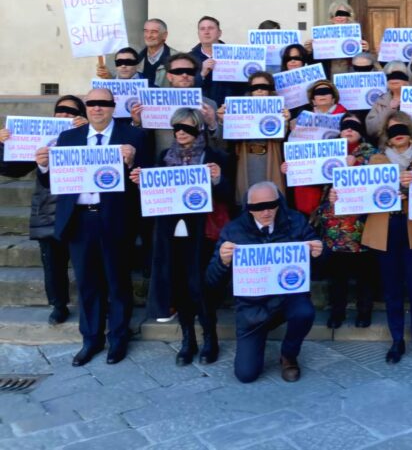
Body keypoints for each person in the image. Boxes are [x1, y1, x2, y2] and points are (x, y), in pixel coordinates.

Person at [35, 88, 147, 366]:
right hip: (79, 220)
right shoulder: (68, 137)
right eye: (91, 104)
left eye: (103, 103)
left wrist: (134, 162)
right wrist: (44, 167)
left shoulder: (133, 137)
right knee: (87, 283)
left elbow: (145, 180)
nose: (97, 108)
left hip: (115, 219)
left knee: (118, 282)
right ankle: (91, 339)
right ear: (85, 108)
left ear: (112, 107)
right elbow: (54, 184)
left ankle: (118, 339)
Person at [130, 109, 231, 366]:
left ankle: (210, 338)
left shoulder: (215, 157)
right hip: (171, 232)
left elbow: (230, 195)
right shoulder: (164, 156)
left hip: (202, 232)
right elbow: (156, 192)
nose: (181, 133)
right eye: (176, 128)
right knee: (180, 286)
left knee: (201, 287)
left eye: (187, 128)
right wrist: (142, 182)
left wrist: (218, 179)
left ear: (198, 129)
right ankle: (188, 340)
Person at [205, 181, 323, 384]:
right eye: (258, 207)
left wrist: (319, 253)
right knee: (246, 374)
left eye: (272, 205)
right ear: (248, 209)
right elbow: (211, 281)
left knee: (304, 311)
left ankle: (289, 355)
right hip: (252, 308)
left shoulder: (296, 221)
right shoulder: (232, 231)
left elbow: (320, 268)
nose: (266, 212)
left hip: (287, 298)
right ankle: (257, 338)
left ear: (280, 202)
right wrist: (223, 262)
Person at [0, 95, 88, 325]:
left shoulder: (88, 135)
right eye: (61, 110)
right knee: (53, 264)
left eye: (72, 111)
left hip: (80, 210)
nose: (65, 115)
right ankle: (58, 306)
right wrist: (3, 145)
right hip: (49, 210)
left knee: (88, 263)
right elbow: (11, 169)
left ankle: (94, 303)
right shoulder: (39, 139)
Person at [362, 111, 412, 363]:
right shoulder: (375, 160)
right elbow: (362, 195)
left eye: (401, 128)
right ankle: (396, 340)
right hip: (385, 228)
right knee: (392, 289)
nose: (397, 134)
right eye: (392, 130)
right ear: (385, 136)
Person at [320, 113, 379, 328]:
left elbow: (379, 179)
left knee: (365, 273)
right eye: (345, 126)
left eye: (354, 127)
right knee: (338, 275)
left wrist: (355, 165)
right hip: (335, 224)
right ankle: (337, 312)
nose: (349, 130)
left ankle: (364, 312)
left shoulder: (371, 153)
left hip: (361, 223)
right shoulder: (326, 151)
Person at [218, 71, 291, 204]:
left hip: (270, 159)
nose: (259, 90)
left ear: (270, 90)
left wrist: (285, 121)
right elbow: (229, 140)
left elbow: (280, 138)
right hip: (247, 159)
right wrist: (225, 121)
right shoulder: (237, 108)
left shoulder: (280, 108)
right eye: (255, 87)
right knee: (248, 198)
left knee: (271, 197)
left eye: (264, 87)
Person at [285, 79, 348, 217]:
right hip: (309, 172)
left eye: (326, 92)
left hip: (333, 170)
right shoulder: (301, 118)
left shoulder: (346, 117)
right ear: (313, 99)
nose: (322, 95)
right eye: (318, 93)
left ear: (333, 97)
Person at [366, 60, 412, 149]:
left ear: (406, 79)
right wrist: (389, 109)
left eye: (399, 75)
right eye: (390, 76)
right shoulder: (380, 101)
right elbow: (371, 130)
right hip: (388, 151)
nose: (394, 79)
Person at [190, 15, 243, 106]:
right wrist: (201, 74)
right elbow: (185, 88)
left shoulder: (235, 55)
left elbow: (244, 86)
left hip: (229, 109)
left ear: (219, 33)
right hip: (201, 111)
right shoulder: (189, 59)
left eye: (210, 28)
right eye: (202, 29)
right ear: (198, 33)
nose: (206, 32)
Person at [305, 2, 369, 78]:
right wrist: (309, 51)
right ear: (331, 18)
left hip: (351, 76)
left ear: (348, 17)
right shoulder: (322, 36)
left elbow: (366, 62)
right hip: (329, 77)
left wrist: (366, 50)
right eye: (336, 14)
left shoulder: (357, 36)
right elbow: (314, 64)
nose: (339, 17)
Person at [140, 18, 174, 87]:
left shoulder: (176, 58)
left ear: (165, 35)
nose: (149, 36)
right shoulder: (136, 59)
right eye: (146, 31)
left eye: (154, 32)